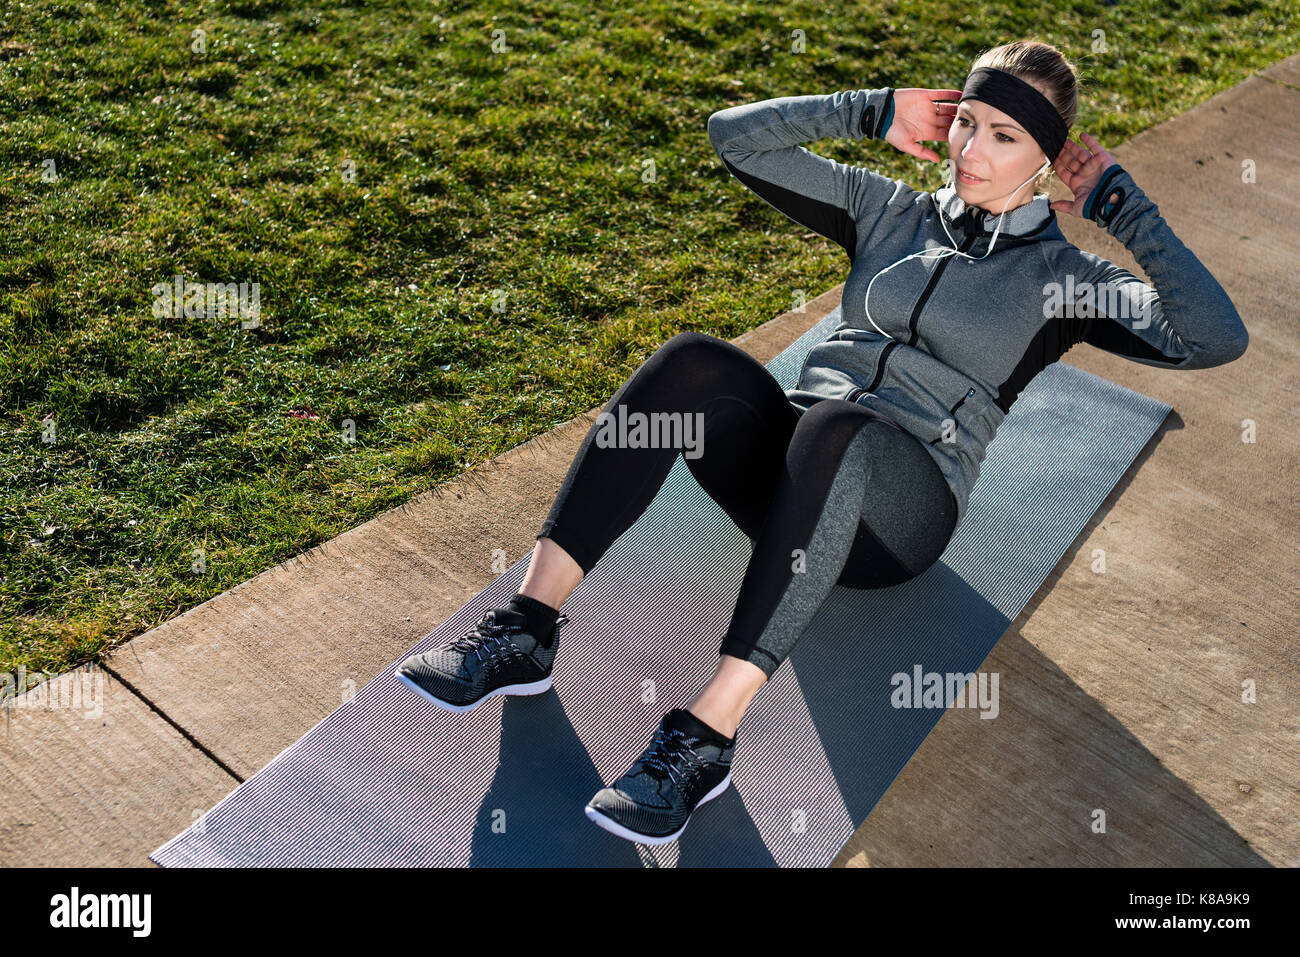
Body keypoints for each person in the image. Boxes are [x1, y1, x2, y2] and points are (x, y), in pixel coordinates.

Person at [396, 39, 1248, 847]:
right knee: (693, 364)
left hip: (897, 515)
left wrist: (1120, 205)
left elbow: (1212, 337)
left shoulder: (1062, 281)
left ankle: (704, 737)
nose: (971, 151)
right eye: (965, 123)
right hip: (791, 484)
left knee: (841, 428)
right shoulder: (891, 212)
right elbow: (732, 138)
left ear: (1048, 162)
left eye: (1004, 135)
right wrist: (872, 110)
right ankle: (526, 629)